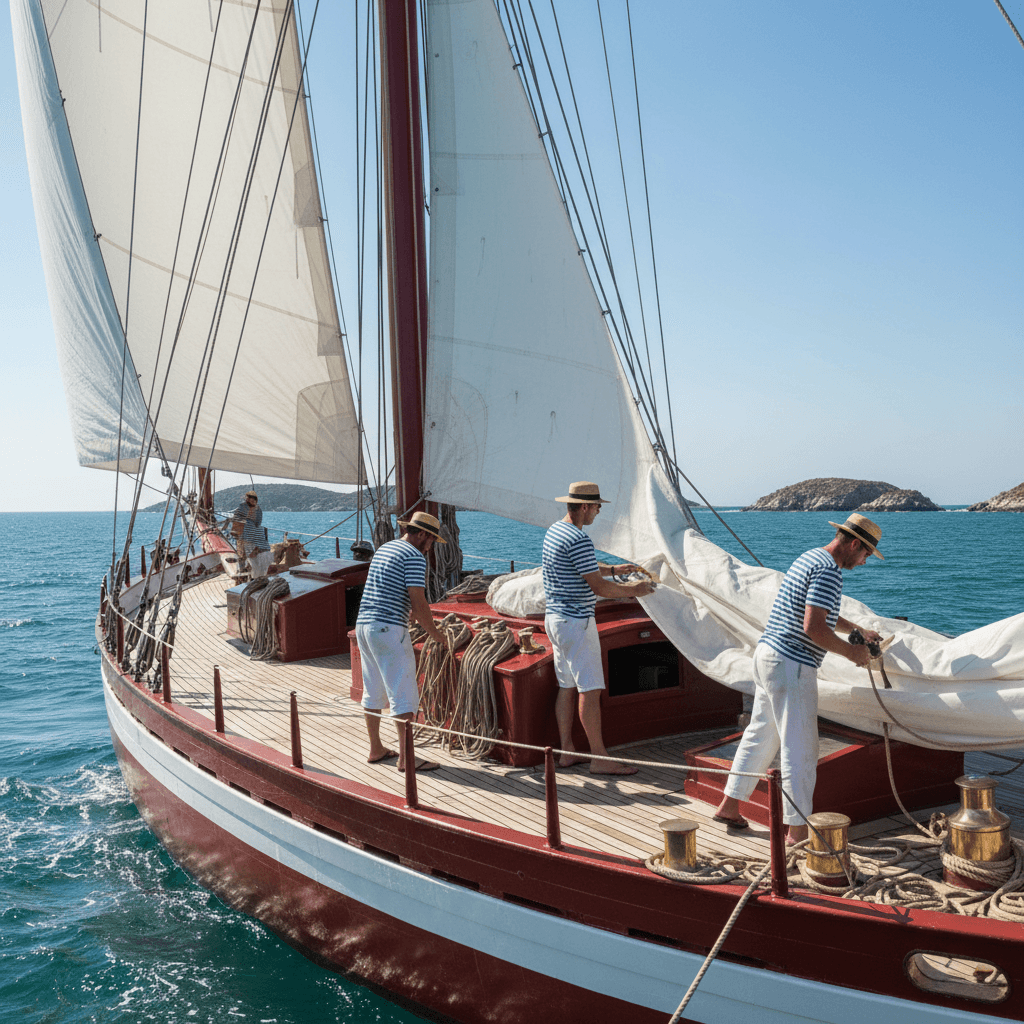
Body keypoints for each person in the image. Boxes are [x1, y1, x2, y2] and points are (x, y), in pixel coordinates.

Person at [714, 513, 885, 843]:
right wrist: (852, 653)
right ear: (853, 544)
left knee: (762, 734)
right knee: (801, 748)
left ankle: (730, 805)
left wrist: (857, 630)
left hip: (768, 656)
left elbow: (818, 613)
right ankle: (796, 832)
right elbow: (814, 627)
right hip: (792, 664)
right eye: (865, 555)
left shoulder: (810, 557)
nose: (864, 563)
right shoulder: (829, 572)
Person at [544, 480, 657, 775]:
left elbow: (583, 567)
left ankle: (567, 751)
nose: (597, 512)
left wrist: (613, 570)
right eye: (596, 507)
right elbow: (599, 588)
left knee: (567, 686)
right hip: (577, 623)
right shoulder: (579, 539)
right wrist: (637, 589)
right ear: (584, 507)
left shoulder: (555, 531)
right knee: (590, 690)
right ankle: (599, 758)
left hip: (555, 620)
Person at [355, 511, 447, 773]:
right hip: (388, 630)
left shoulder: (386, 549)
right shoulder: (414, 556)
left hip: (364, 627)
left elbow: (388, 589)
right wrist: (437, 635)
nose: (430, 547)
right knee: (403, 694)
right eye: (430, 540)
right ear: (421, 534)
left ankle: (376, 748)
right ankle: (407, 758)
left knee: (372, 690)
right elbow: (418, 604)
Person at [231, 490, 272, 577]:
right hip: (245, 535)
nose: (250, 501)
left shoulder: (245, 507)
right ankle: (245, 572)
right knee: (244, 555)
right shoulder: (252, 508)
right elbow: (257, 523)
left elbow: (236, 519)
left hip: (247, 535)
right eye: (250, 499)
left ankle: (246, 572)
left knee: (247, 555)